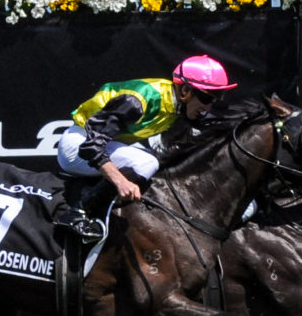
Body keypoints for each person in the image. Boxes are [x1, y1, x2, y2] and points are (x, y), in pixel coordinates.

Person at [50, 53, 238, 241]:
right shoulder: (138, 101)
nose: (208, 107)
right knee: (147, 162)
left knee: (160, 162)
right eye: (206, 99)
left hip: (105, 144)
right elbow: (91, 146)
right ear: (185, 91)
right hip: (77, 145)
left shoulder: (178, 104)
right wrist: (121, 182)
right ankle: (79, 211)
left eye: (215, 99)